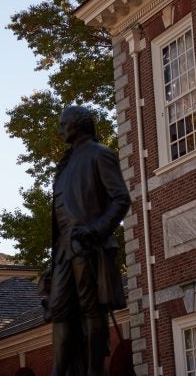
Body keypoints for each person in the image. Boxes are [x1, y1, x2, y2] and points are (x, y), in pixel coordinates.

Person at [45, 105, 131, 376]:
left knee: (91, 308)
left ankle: (95, 371)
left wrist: (96, 230)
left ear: (79, 124)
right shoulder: (67, 162)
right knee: (59, 309)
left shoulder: (100, 154)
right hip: (63, 251)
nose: (60, 129)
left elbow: (121, 199)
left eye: (63, 123)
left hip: (88, 245)